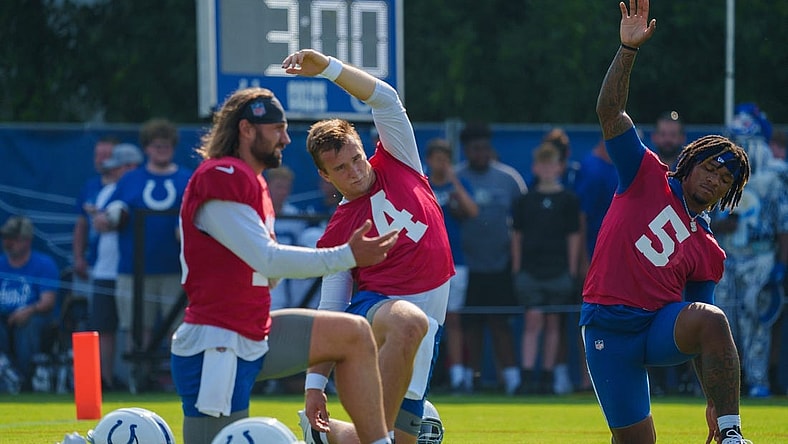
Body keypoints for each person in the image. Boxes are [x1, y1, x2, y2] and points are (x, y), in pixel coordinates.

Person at [170, 86, 398, 444]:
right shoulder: (221, 175)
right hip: (215, 343)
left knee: (353, 334)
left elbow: (267, 270)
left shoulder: (253, 183)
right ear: (247, 130)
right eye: (277, 129)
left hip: (254, 330)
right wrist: (348, 256)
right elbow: (267, 258)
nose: (286, 139)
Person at [582, 1, 753, 443]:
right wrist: (627, 50)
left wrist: (715, 400)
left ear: (728, 193)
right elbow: (609, 112)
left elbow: (704, 332)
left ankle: (732, 436)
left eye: (725, 178)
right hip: (609, 329)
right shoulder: (646, 175)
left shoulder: (709, 248)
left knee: (715, 319)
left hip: (657, 330)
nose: (715, 179)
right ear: (690, 161)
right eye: (711, 168)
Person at [282, 49, 453, 444]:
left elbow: (385, 98)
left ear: (364, 148)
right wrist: (314, 385)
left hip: (427, 325)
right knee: (410, 322)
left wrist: (327, 67)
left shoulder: (399, 158)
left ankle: (321, 437)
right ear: (324, 175)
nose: (355, 172)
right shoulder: (338, 229)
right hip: (381, 313)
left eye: (357, 158)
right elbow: (331, 309)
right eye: (341, 168)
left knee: (399, 438)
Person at [94, 118, 192, 390]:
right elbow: (117, 211)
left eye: (166, 145)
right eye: (156, 145)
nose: (161, 150)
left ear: (173, 147)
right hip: (133, 270)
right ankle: (139, 381)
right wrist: (108, 219)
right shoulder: (131, 179)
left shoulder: (186, 178)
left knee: (180, 330)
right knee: (138, 330)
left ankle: (180, 382)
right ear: (147, 148)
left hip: (177, 270)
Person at [711, 103, 788, 399]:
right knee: (723, 321)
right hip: (727, 258)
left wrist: (781, 263)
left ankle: (758, 381)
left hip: (760, 256)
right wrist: (722, 226)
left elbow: (783, 224)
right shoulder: (718, 174)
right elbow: (706, 221)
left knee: (758, 321)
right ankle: (727, 383)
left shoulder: (774, 178)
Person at [456, 122, 526, 395]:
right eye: (474, 149)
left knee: (501, 325)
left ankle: (511, 381)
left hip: (501, 265)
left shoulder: (509, 179)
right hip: (467, 267)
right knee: (470, 327)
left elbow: (523, 223)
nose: (480, 153)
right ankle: (470, 379)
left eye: (484, 148)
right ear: (466, 151)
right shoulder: (457, 179)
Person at [512, 143, 581, 395]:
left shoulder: (569, 200)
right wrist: (517, 268)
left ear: (560, 167)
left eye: (552, 164)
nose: (548, 169)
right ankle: (527, 377)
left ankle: (548, 377)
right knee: (533, 320)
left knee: (554, 323)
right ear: (535, 168)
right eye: (543, 164)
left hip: (559, 271)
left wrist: (572, 271)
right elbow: (516, 237)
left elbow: (574, 237)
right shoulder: (524, 200)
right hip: (530, 271)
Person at [424, 138, 478, 394]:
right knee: (426, 320)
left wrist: (454, 182)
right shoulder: (422, 184)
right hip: (425, 262)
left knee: (454, 320)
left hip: (456, 261)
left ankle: (457, 376)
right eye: (437, 158)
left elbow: (473, 211)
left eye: (445, 159)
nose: (441, 164)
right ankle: (424, 374)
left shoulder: (458, 185)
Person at [88, 143, 144, 390]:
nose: (114, 172)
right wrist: (103, 218)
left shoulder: (141, 188)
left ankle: (136, 381)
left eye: (119, 167)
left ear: (132, 166)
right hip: (104, 269)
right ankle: (104, 381)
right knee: (104, 328)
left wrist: (108, 219)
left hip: (130, 270)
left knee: (134, 327)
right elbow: (99, 223)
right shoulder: (107, 190)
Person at [0, 216, 59, 391]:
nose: (8, 243)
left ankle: (26, 380)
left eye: (14, 239)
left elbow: (48, 302)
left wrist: (27, 311)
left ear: (27, 241)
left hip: (35, 316)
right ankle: (6, 375)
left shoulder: (44, 264)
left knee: (27, 326)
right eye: (6, 238)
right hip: (3, 318)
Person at [72, 136, 118, 286]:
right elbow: (81, 224)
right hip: (95, 263)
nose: (100, 160)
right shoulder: (90, 186)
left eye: (106, 156)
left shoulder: (125, 186)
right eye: (97, 155)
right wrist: (78, 257)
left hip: (122, 264)